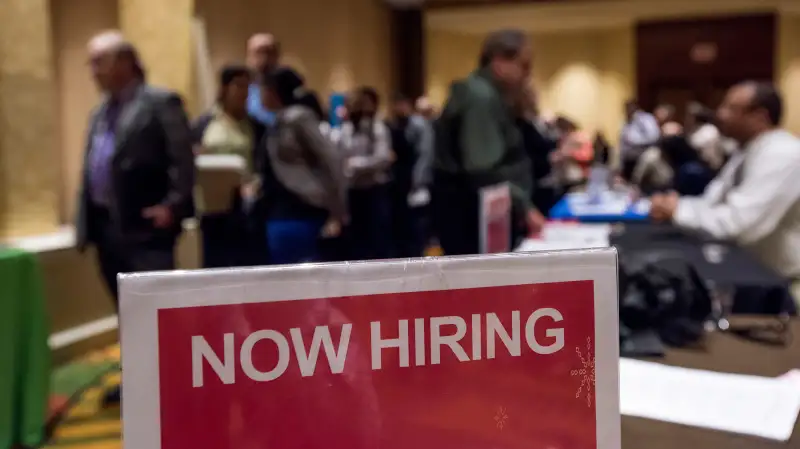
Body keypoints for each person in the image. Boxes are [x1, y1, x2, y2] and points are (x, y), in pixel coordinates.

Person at [75, 30, 194, 405]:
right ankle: (138, 381)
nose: (91, 71)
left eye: (99, 61)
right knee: (125, 311)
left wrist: (173, 206)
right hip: (107, 227)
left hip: (146, 229)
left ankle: (169, 385)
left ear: (126, 62)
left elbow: (183, 161)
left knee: (153, 311)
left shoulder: (159, 103)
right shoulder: (100, 111)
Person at [650, 82, 800, 306]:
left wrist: (678, 210)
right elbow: (711, 202)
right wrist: (676, 205)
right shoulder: (747, 150)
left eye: (731, 108)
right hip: (754, 277)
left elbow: (739, 225)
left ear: (760, 116)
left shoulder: (783, 154)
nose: (720, 114)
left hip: (785, 290)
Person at [432, 29, 544, 255]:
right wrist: (525, 208)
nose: (527, 75)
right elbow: (483, 169)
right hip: (472, 221)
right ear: (500, 61)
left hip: (474, 216)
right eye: (523, 66)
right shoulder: (480, 98)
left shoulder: (485, 94)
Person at [259, 66, 347, 264]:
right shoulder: (277, 120)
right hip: (281, 208)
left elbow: (330, 158)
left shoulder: (298, 118)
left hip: (301, 206)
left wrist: (338, 209)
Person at [191, 64, 266, 268]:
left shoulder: (256, 127)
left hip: (245, 207)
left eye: (247, 87)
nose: (243, 92)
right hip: (212, 207)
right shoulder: (205, 124)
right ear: (225, 88)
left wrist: (255, 185)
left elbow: (263, 164)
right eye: (238, 85)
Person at [332, 87, 394, 260]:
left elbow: (382, 158)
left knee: (376, 240)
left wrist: (354, 164)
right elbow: (337, 159)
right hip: (351, 192)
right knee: (353, 241)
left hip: (374, 190)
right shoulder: (343, 130)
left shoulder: (378, 128)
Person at [387, 93, 434, 258]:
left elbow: (424, 153)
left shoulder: (419, 125)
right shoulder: (394, 124)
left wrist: (418, 179)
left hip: (413, 179)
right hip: (398, 180)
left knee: (416, 224)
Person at [620, 99, 661, 180]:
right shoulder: (626, 122)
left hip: (642, 158)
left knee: (639, 184)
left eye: (629, 108)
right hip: (628, 159)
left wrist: (636, 142)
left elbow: (654, 137)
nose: (627, 110)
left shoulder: (645, 119)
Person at [246, 33, 281, 126]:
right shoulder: (242, 92)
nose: (265, 58)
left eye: (269, 52)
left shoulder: (290, 90)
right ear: (249, 57)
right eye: (259, 52)